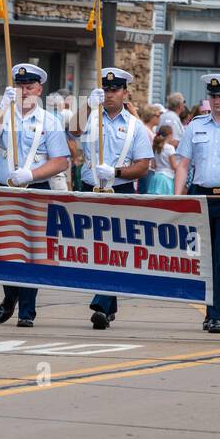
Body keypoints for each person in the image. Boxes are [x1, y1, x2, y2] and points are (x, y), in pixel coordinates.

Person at [0, 63, 71, 327]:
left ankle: (27, 312)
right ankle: (10, 297)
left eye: (29, 87)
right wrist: (1, 109)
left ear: (39, 89)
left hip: (35, 190)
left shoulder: (50, 121)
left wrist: (31, 175)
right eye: (20, 86)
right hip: (5, 190)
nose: (24, 91)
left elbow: (61, 162)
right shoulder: (4, 114)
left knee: (32, 251)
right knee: (5, 250)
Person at [71, 68, 154, 330]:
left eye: (114, 90)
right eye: (106, 90)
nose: (109, 94)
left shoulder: (134, 126)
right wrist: (86, 104)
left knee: (114, 248)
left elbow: (143, 166)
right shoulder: (92, 118)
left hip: (119, 188)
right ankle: (109, 307)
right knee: (94, 248)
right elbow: (72, 130)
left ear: (125, 93)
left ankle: (101, 303)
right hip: (91, 187)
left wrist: (116, 172)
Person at [173, 72, 220, 334]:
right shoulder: (196, 125)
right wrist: (177, 196)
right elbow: (183, 164)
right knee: (200, 259)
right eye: (213, 96)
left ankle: (215, 314)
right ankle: (207, 305)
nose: (217, 100)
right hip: (200, 196)